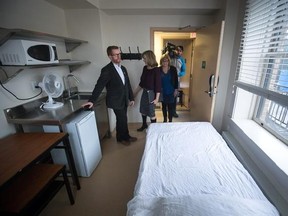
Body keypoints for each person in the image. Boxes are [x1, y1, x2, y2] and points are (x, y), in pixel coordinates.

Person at [82, 45, 137, 146]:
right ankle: (122, 138)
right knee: (122, 119)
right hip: (115, 100)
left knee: (122, 119)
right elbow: (99, 85)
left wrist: (131, 97)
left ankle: (124, 136)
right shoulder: (107, 70)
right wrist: (92, 100)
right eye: (116, 55)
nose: (119, 56)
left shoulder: (123, 68)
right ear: (110, 56)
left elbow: (127, 84)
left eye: (119, 54)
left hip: (124, 99)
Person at [134, 50, 162, 131]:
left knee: (151, 112)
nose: (143, 60)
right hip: (144, 92)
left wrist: (157, 99)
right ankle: (144, 125)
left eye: (145, 58)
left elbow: (158, 85)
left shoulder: (156, 70)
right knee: (143, 109)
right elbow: (142, 82)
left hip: (151, 93)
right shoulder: (145, 68)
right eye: (143, 58)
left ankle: (154, 129)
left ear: (150, 58)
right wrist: (135, 92)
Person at [159, 54, 178, 122]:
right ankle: (164, 119)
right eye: (163, 61)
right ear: (161, 62)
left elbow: (176, 80)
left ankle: (170, 120)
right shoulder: (159, 69)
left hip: (171, 91)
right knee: (164, 106)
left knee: (170, 107)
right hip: (162, 91)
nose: (165, 63)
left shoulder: (173, 69)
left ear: (169, 62)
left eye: (166, 61)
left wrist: (176, 89)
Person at [171, 45, 186, 117]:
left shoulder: (182, 60)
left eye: (180, 51)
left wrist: (179, 74)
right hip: (169, 80)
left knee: (175, 96)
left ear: (182, 52)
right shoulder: (171, 58)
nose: (178, 52)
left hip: (177, 80)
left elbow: (183, 71)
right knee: (168, 95)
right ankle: (168, 111)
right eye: (177, 50)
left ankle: (174, 111)